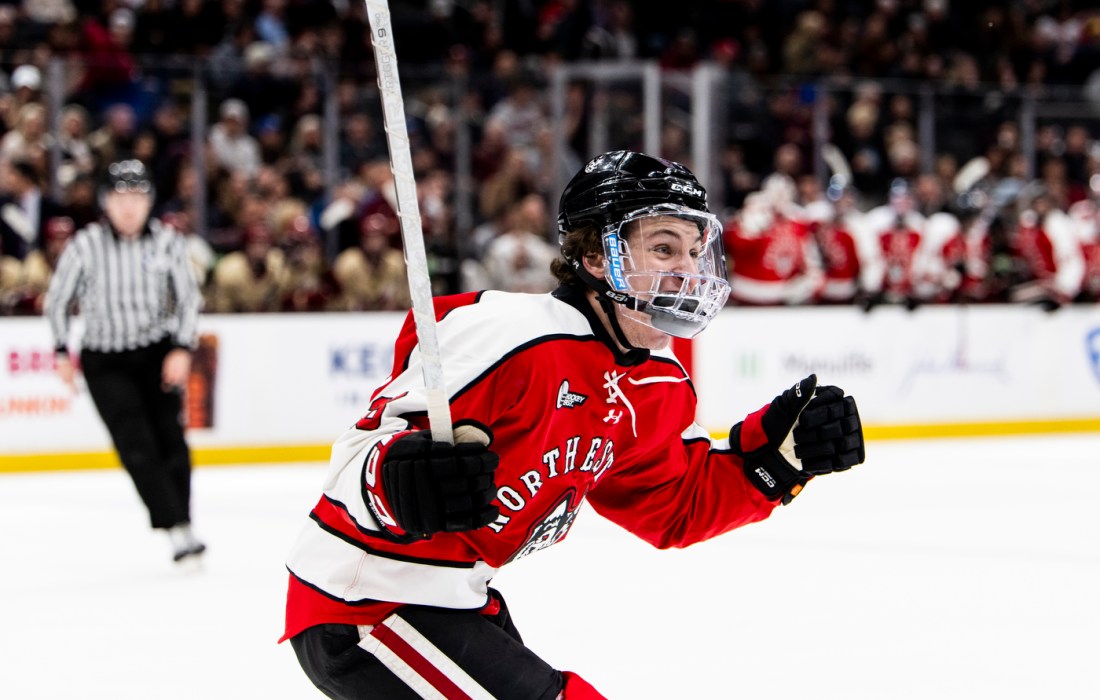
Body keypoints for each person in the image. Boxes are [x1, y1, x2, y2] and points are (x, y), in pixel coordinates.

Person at [282, 151, 866, 699]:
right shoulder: (510, 334)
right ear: (594, 257)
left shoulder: (659, 383)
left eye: (693, 250)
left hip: (458, 597)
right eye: (663, 248)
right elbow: (367, 450)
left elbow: (675, 503)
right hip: (365, 599)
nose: (688, 270)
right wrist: (397, 479)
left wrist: (772, 463)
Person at [43, 159, 206, 563]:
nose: (129, 206)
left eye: (137, 196)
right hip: (105, 359)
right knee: (136, 443)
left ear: (149, 200)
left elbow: (188, 299)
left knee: (172, 441)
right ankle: (172, 526)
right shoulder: (85, 245)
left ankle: (183, 522)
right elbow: (58, 301)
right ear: (105, 202)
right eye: (120, 197)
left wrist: (181, 348)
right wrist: (63, 350)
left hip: (156, 352)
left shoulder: (168, 241)